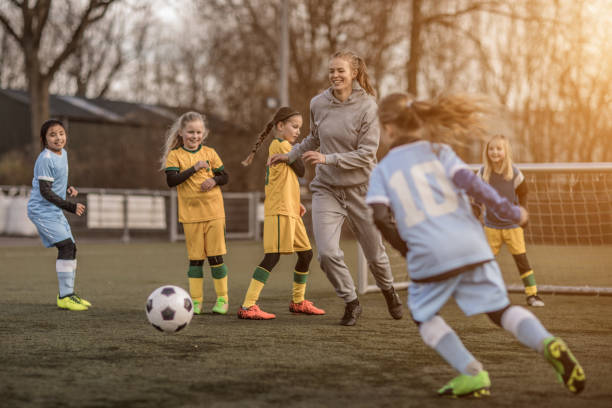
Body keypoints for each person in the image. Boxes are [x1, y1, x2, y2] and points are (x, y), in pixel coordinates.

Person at [366, 92, 585, 397]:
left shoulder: (383, 169)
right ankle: (547, 342)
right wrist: (512, 212)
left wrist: (408, 250)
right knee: (501, 310)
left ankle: (472, 372)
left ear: (388, 128)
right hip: (472, 246)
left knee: (423, 316)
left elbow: (378, 215)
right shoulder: (439, 151)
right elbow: (476, 186)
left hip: (429, 255)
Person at [268, 50, 403, 326]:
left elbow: (367, 154)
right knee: (327, 254)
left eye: (340, 70)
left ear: (354, 72)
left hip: (362, 189)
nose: (335, 76)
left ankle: (389, 290)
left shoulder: (369, 107)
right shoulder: (318, 103)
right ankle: (352, 302)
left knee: (375, 255)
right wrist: (291, 154)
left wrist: (328, 158)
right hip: (327, 188)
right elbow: (314, 138)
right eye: (331, 71)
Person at [237, 107, 325, 319]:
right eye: (294, 126)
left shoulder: (285, 147)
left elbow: (290, 176)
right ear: (280, 126)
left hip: (290, 210)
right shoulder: (281, 145)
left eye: (299, 128)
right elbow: (302, 170)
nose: (297, 132)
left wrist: (296, 202)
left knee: (306, 254)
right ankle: (248, 306)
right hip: (279, 210)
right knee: (272, 256)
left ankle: (298, 302)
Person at [161, 111, 230, 315]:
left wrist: (214, 180)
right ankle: (196, 302)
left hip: (214, 212)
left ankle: (222, 299)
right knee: (196, 260)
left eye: (199, 132)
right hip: (191, 216)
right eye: (191, 132)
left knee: (216, 257)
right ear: (181, 133)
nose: (195, 136)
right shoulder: (175, 155)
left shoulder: (210, 153)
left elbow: (225, 176)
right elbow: (171, 181)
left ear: (205, 133)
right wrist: (194, 168)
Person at [27, 119, 92, 311]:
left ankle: (68, 294)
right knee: (65, 246)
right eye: (52, 134)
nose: (58, 138)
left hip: (53, 210)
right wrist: (71, 206)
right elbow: (46, 192)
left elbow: (58, 178)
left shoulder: (63, 154)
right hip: (41, 211)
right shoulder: (45, 159)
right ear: (44, 139)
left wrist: (68, 187)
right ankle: (65, 297)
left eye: (61, 133)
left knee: (71, 248)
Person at [476, 134, 544, 307]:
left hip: (512, 226)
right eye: (491, 148)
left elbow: (524, 193)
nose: (495, 152)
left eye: (499, 149)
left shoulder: (514, 173)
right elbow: (476, 195)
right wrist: (475, 212)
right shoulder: (483, 172)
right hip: (491, 226)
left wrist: (523, 212)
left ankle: (532, 295)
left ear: (505, 152)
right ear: (487, 152)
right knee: (486, 262)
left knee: (521, 260)